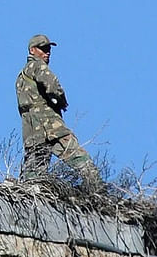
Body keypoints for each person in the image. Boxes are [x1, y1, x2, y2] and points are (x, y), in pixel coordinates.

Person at [15, 34, 102, 184]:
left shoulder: (20, 77)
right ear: (32, 50)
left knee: (34, 168)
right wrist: (61, 101)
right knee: (78, 156)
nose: (47, 52)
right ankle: (96, 189)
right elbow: (53, 86)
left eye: (48, 49)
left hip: (31, 129)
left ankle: (30, 196)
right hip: (49, 124)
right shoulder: (38, 66)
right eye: (43, 49)